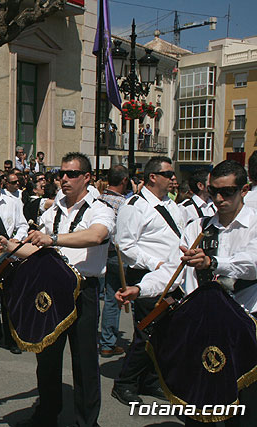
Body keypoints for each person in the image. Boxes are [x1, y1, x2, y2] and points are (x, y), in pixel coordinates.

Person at [117, 160, 257, 426]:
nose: (218, 198)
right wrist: (139, 288)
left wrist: (213, 263)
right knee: (198, 403)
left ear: (245, 190)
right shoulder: (197, 228)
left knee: (243, 406)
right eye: (214, 191)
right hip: (201, 325)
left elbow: (252, 263)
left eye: (227, 192)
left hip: (243, 323)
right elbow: (172, 270)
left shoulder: (255, 224)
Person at [0, 152, 114, 427]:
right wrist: (10, 246)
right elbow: (36, 249)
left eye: (71, 174)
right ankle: (47, 413)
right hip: (51, 291)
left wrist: (53, 238)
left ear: (87, 177)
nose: (65, 179)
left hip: (84, 290)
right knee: (46, 356)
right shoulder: (53, 210)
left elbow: (96, 235)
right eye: (62, 174)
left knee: (84, 363)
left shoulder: (100, 208)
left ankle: (86, 421)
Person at [112, 156, 185, 406]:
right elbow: (125, 245)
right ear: (153, 177)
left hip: (173, 276)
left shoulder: (174, 205)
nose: (173, 178)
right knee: (147, 332)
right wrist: (155, 264)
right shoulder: (134, 205)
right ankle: (125, 383)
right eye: (168, 174)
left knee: (166, 332)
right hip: (145, 275)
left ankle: (151, 379)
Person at [0, 168, 28, 354]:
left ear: (1, 183)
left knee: (10, 297)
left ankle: (12, 338)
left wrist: (16, 240)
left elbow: (22, 225)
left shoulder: (13, 201)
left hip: (10, 252)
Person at [98, 165, 129, 357]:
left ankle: (106, 341)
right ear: (124, 180)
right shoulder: (125, 204)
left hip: (99, 254)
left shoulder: (98, 200)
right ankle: (108, 341)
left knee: (105, 297)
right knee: (115, 297)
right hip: (117, 254)